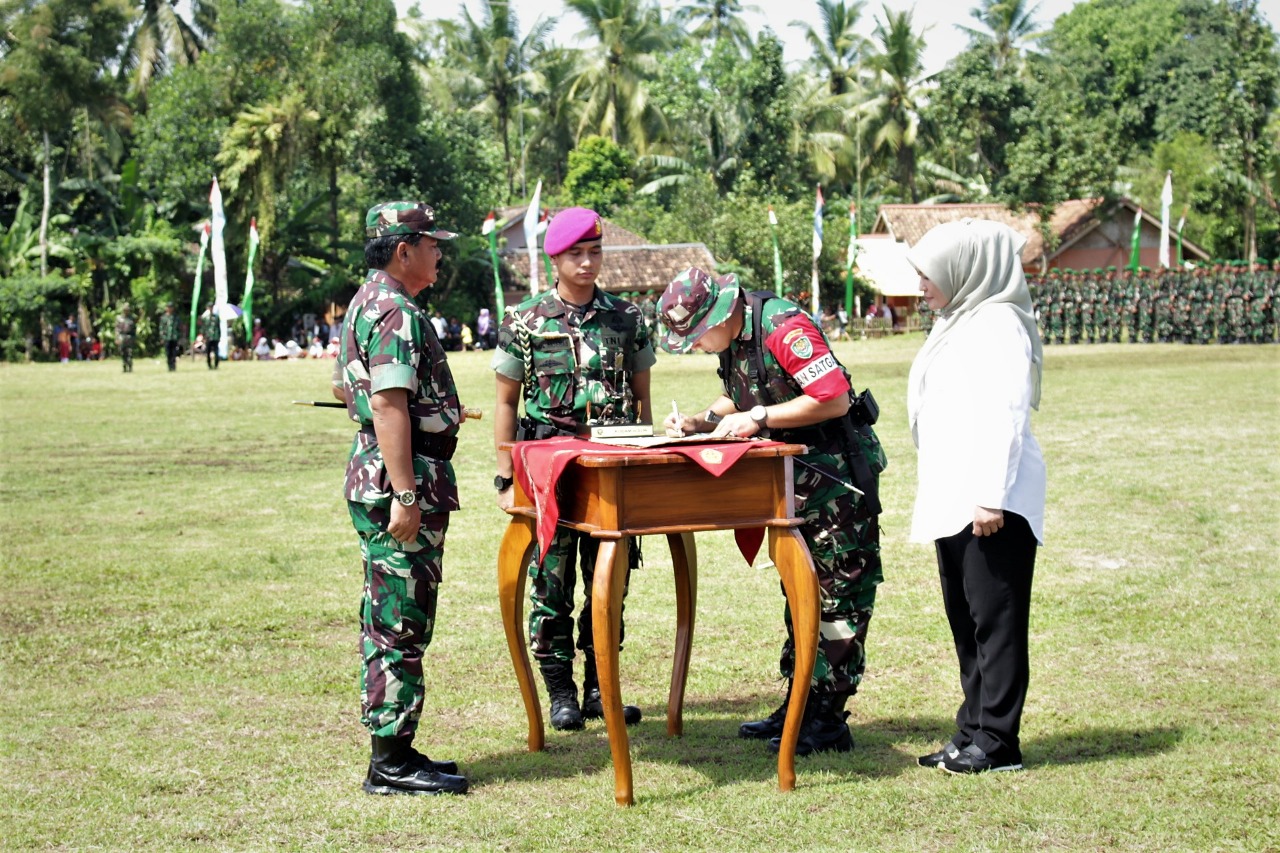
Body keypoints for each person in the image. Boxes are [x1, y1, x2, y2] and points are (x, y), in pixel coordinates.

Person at [659, 267, 887, 756]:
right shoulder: (735, 338)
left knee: (838, 597)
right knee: (800, 594)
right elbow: (744, 389)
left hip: (836, 482)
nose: (699, 345)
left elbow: (832, 398)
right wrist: (703, 420)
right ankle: (799, 703)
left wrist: (757, 418)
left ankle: (827, 720)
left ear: (722, 313)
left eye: (699, 335)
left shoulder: (784, 326)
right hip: (795, 485)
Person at [491, 206, 655, 732]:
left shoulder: (628, 318)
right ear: (554, 259)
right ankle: (560, 690)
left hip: (614, 471)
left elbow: (642, 396)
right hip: (550, 471)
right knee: (551, 582)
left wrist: (648, 460)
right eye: (575, 255)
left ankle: (598, 689)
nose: (587, 263)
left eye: (594, 252)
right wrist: (504, 473)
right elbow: (505, 403)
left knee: (610, 584)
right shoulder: (525, 321)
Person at [329, 200, 469, 796]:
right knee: (399, 623)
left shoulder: (366, 301)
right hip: (398, 486)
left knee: (392, 617)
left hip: (380, 475)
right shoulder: (395, 313)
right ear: (402, 249)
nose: (440, 252)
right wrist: (406, 492)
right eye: (432, 243)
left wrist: (431, 413)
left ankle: (398, 748)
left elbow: (344, 387)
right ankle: (389, 762)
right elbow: (385, 404)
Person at [905, 219, 1045, 775]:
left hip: (991, 500)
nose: (921, 285)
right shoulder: (959, 318)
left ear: (964, 270)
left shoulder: (998, 323)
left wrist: (990, 496)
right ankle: (973, 728)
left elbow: (1005, 416)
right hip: (955, 495)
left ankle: (999, 741)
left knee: (997, 620)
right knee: (967, 619)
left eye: (928, 275)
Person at [159, 302, 180, 371]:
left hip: (174, 337)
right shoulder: (163, 318)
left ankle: (173, 366)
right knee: (168, 353)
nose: (170, 309)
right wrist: (162, 337)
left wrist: (179, 337)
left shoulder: (176, 317)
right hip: (167, 338)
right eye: (168, 307)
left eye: (171, 307)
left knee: (174, 353)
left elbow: (179, 328)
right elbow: (161, 328)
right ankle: (169, 366)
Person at [200, 303, 221, 370]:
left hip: (215, 337)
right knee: (208, 352)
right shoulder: (205, 318)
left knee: (216, 352)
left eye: (211, 307)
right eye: (209, 307)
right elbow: (203, 328)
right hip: (208, 337)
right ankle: (209, 365)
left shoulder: (216, 317)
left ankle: (216, 365)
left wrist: (219, 336)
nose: (210, 308)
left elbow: (218, 327)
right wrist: (203, 337)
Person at [115, 304, 135, 372]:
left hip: (129, 337)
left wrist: (134, 338)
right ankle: (124, 367)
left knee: (130, 353)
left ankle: (130, 367)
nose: (126, 311)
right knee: (123, 353)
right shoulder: (119, 318)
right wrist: (117, 338)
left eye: (127, 310)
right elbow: (117, 329)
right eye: (125, 310)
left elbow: (134, 329)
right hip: (122, 336)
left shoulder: (131, 318)